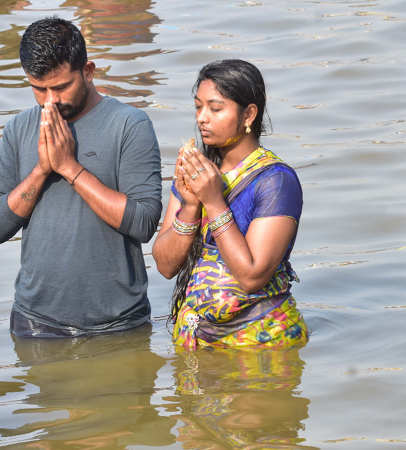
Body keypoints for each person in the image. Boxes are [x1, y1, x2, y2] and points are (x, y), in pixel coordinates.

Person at [0, 17, 162, 337]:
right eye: (38, 89)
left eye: (61, 87)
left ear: (88, 70)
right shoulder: (18, 130)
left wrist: (69, 168)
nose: (50, 101)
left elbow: (144, 223)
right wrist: (42, 170)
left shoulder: (130, 125)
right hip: (35, 323)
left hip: (118, 324)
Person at [153, 59, 308, 350]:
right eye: (198, 107)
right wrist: (189, 206)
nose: (201, 118)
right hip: (195, 339)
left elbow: (252, 276)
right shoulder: (197, 170)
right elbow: (164, 265)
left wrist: (212, 202)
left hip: (260, 346)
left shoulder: (276, 180)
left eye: (215, 108)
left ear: (249, 114)